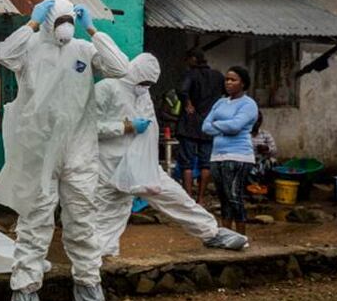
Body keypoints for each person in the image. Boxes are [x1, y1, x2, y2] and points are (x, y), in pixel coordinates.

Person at [0, 0, 129, 301]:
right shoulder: (29, 48)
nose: (64, 24)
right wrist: (33, 23)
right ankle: (24, 292)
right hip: (39, 151)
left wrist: (93, 29)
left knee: (82, 219)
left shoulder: (83, 49)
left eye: (69, 18)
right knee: (35, 222)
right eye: (60, 18)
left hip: (79, 149)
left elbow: (120, 68)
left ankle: (88, 287)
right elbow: (3, 54)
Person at [93, 53, 248, 257]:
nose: (145, 86)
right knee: (110, 213)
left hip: (142, 163)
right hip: (111, 166)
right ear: (134, 73)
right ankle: (100, 257)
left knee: (175, 197)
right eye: (143, 81)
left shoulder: (143, 93)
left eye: (149, 83)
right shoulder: (107, 88)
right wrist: (124, 127)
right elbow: (87, 127)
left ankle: (211, 233)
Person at [203, 66, 259, 236]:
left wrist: (216, 126)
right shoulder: (220, 102)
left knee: (234, 197)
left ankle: (241, 236)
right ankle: (227, 235)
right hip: (217, 155)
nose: (228, 82)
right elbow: (205, 127)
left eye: (233, 80)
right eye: (227, 79)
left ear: (243, 83)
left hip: (238, 156)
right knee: (223, 199)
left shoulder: (249, 104)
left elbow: (236, 127)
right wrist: (223, 127)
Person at [176, 48, 226, 204]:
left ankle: (188, 199)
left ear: (192, 59)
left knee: (187, 163)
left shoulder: (190, 74)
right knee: (206, 163)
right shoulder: (218, 76)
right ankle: (201, 198)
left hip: (190, 124)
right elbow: (226, 93)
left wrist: (187, 103)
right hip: (210, 124)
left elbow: (182, 90)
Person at [250, 111, 278, 185]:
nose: (257, 123)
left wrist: (267, 149)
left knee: (270, 162)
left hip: (262, 161)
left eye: (259, 121)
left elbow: (275, 151)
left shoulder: (265, 134)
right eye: (255, 121)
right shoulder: (245, 135)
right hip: (248, 160)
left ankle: (265, 185)